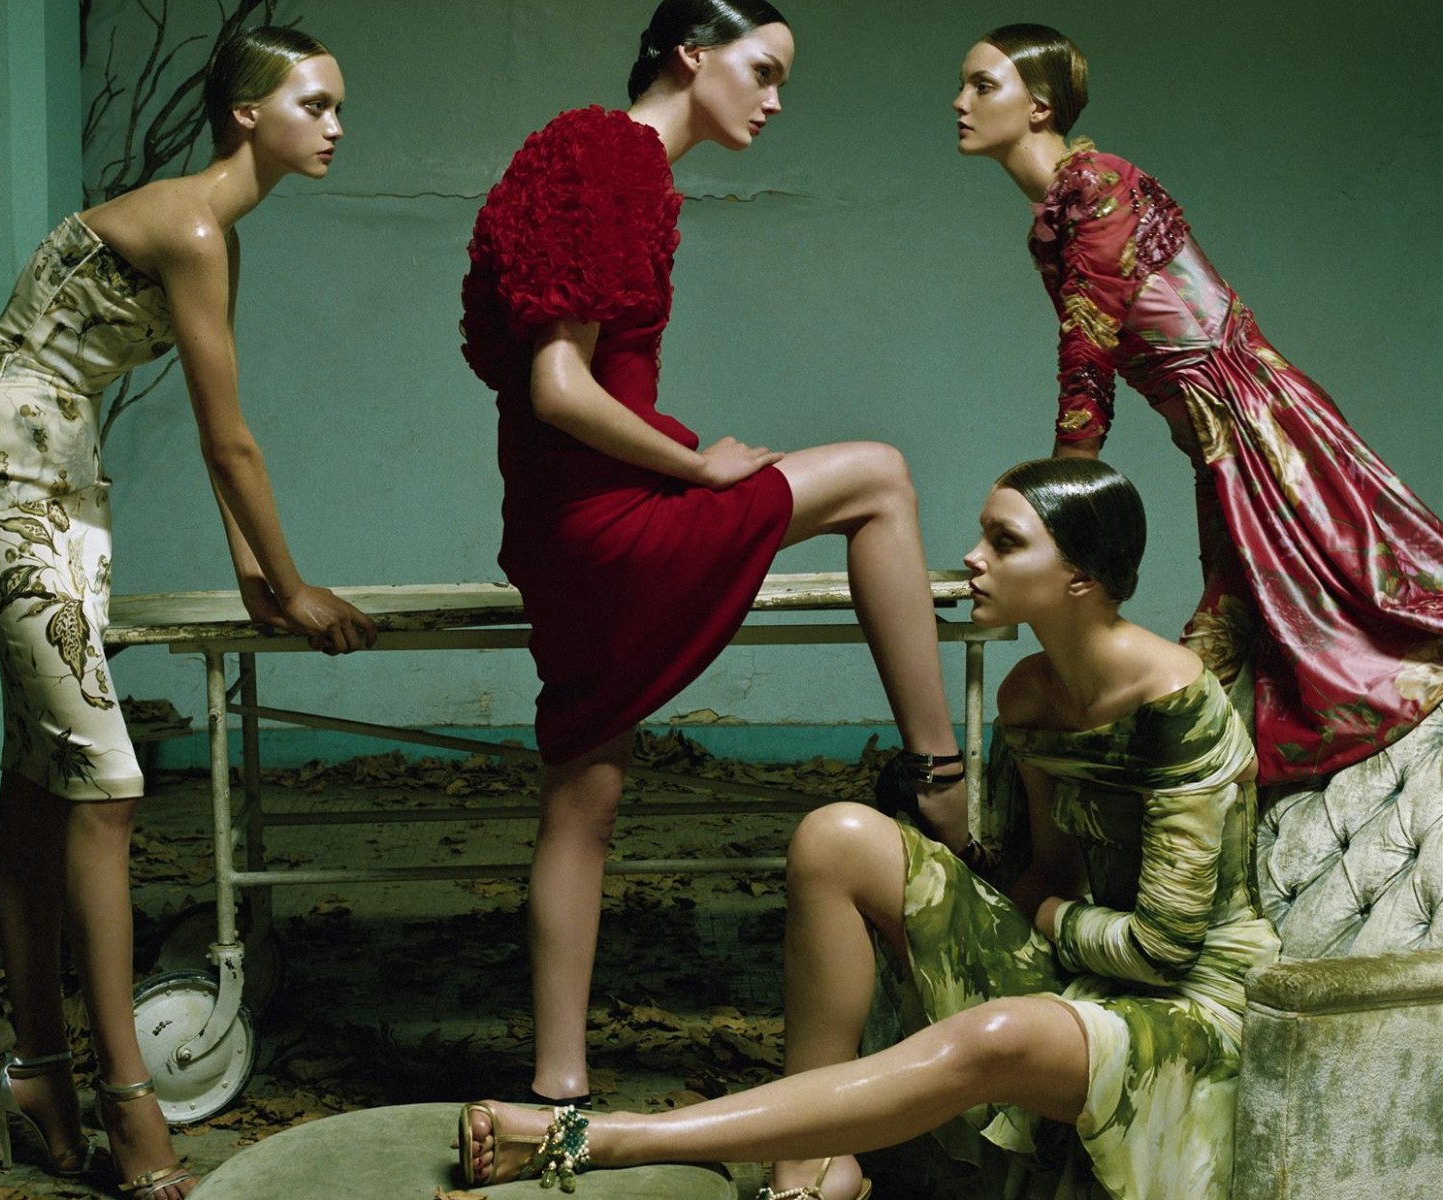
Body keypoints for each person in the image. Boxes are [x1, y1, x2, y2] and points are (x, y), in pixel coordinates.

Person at [458, 458, 1280, 1200]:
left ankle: (603, 1139)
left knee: (995, 1036)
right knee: (836, 837)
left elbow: (1161, 948)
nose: (973, 558)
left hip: (1192, 1004)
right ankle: (811, 1175)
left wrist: (1041, 914)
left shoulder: (1176, 702)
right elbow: (1047, 875)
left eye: (1005, 542)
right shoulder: (1030, 694)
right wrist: (1009, 898)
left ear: (1080, 578)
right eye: (982, 535)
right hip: (1081, 958)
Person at [459, 0, 975, 1109]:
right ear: (693, 54)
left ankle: (558, 1089)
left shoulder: (599, 155)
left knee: (582, 803)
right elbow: (558, 388)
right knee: (880, 477)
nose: (775, 99)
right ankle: (942, 781)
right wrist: (697, 470)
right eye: (764, 69)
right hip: (605, 528)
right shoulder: (613, 158)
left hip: (558, 529)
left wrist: (678, 460)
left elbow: (558, 382)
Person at [0, 25, 377, 1200]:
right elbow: (232, 443)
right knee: (108, 783)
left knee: (42, 773)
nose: (336, 126)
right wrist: (292, 584)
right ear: (247, 114)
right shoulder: (189, 226)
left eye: (338, 106)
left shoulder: (214, 235)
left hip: (68, 481)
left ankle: (38, 1074)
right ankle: (129, 1100)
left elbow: (213, 422)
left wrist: (251, 579)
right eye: (315, 104)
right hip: (4, 474)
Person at [952, 23, 1443, 787]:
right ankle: (1203, 781)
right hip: (1217, 436)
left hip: (1258, 422)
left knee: (1366, 594)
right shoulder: (1059, 207)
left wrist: (1062, 496)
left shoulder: (1097, 186)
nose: (960, 102)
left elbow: (1089, 348)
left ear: (1039, 106)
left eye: (983, 85)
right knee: (1249, 613)